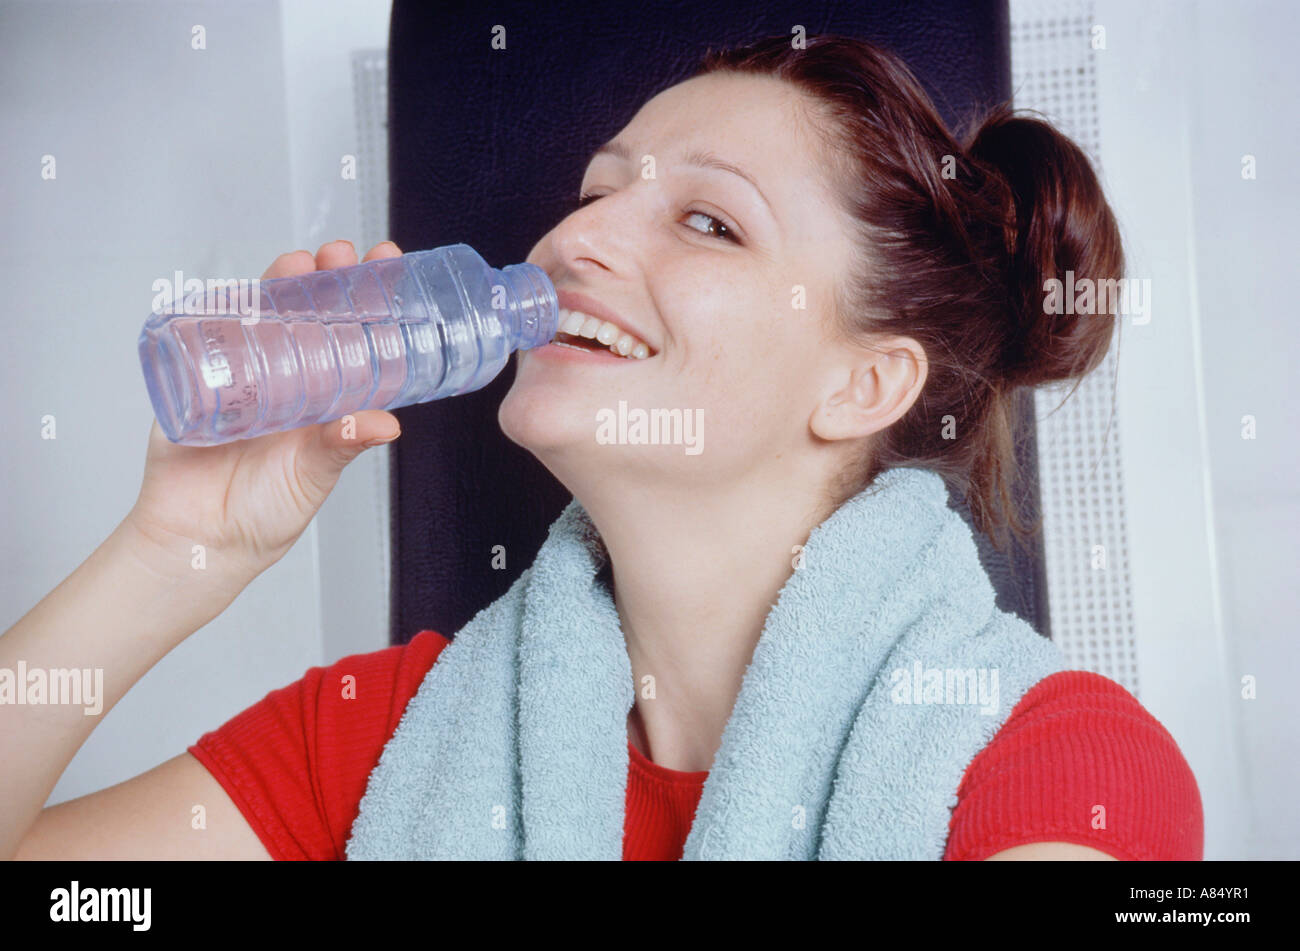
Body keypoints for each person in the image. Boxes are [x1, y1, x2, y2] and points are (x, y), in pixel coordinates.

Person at [2, 34, 1201, 861]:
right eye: (596, 189)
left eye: (706, 222)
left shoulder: (1057, 760)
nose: (575, 239)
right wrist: (174, 550)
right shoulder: (384, 733)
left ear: (863, 382)